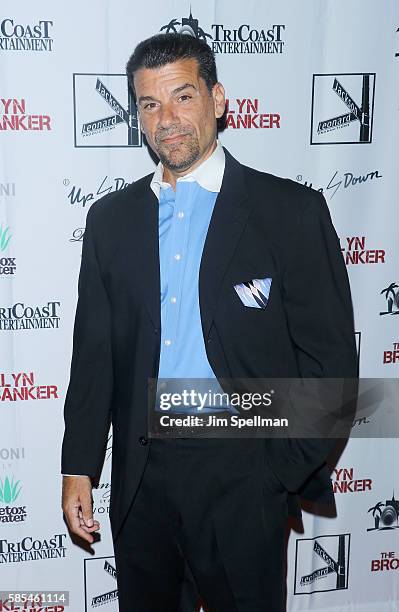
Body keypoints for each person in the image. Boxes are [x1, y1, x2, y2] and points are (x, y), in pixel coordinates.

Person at [61, 33, 358, 612]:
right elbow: (93, 355)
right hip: (141, 479)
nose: (167, 119)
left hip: (244, 475)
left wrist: (276, 471)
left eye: (182, 96)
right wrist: (79, 466)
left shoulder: (290, 213)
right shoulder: (110, 221)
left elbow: (331, 364)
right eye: (150, 104)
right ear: (138, 117)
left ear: (218, 100)